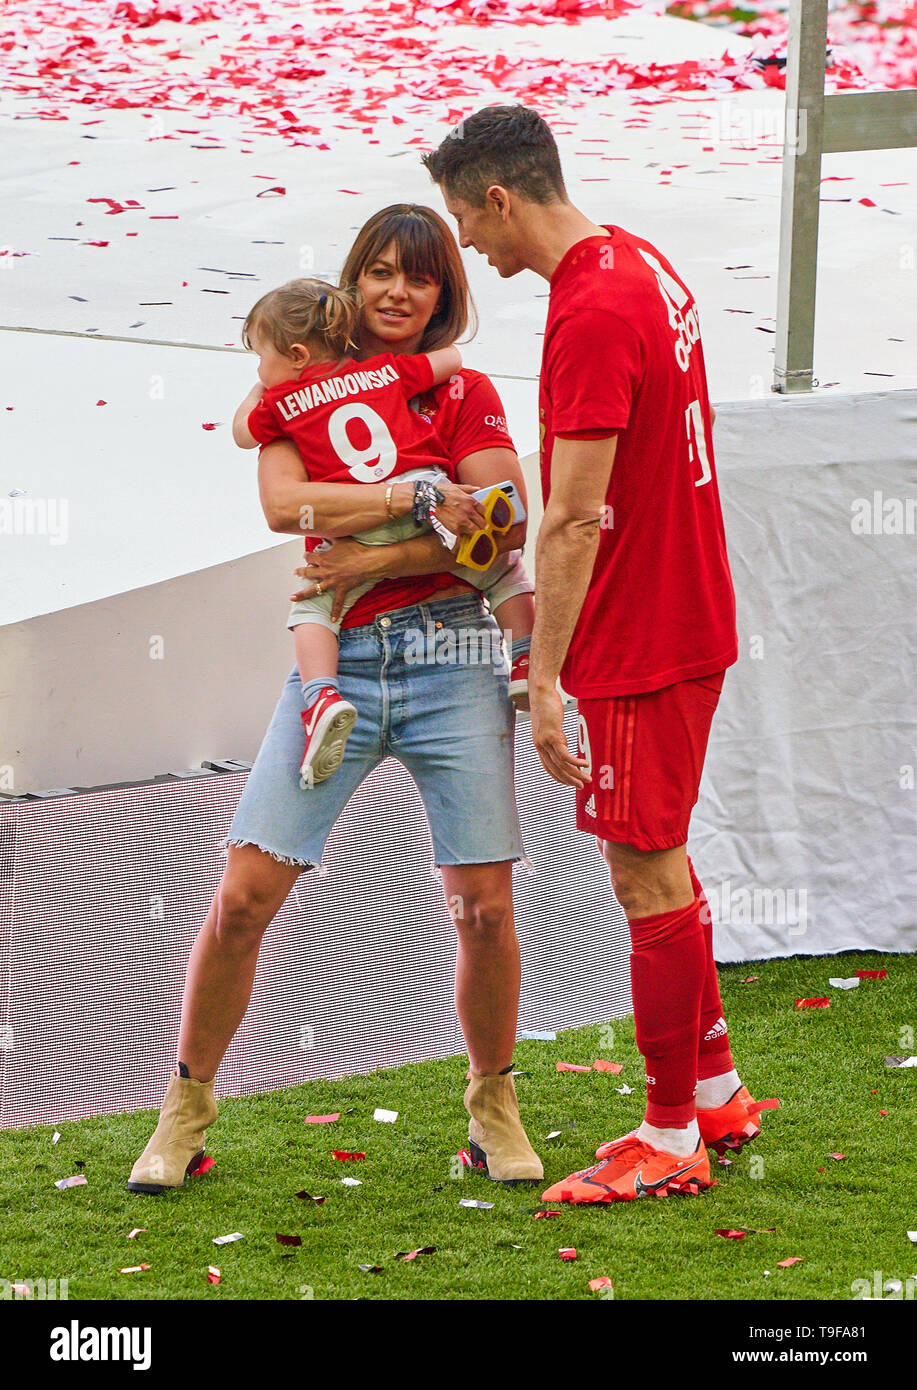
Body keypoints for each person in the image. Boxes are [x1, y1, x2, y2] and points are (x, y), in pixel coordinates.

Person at [127, 204, 543, 1195]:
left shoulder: (461, 388)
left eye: (421, 277)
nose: (397, 292)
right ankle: (185, 1107)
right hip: (338, 659)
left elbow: (507, 517)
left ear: (446, 296)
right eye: (380, 273)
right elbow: (283, 507)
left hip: (450, 655)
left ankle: (492, 1104)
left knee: (483, 909)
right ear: (351, 283)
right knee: (241, 899)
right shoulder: (302, 386)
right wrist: (417, 499)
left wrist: (376, 549)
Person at [424, 106, 776, 1205]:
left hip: (638, 630)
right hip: (690, 609)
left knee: (641, 870)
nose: (467, 252)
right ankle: (710, 1089)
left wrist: (541, 681)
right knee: (662, 853)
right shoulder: (643, 263)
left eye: (463, 224)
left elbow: (571, 520)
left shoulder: (586, 310)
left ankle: (667, 1134)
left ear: (497, 198)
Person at [231, 276, 535, 784]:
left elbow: (243, 433)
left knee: (313, 608)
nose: (261, 370)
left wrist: (267, 386)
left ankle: (321, 696)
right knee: (502, 567)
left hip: (362, 522)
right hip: (428, 497)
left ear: (298, 354)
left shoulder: (282, 404)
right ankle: (523, 658)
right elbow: (452, 359)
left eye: (263, 356)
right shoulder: (385, 373)